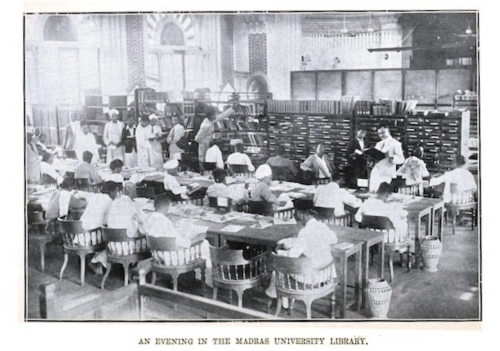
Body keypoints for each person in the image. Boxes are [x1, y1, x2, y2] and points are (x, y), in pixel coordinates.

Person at [266, 208, 338, 303]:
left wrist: (279, 252)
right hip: (325, 273)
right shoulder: (323, 226)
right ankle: (284, 300)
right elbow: (334, 240)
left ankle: (279, 300)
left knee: (279, 268)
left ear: (301, 214)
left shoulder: (304, 231)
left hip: (310, 277)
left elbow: (292, 256)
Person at [144, 193, 210, 273]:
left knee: (186, 233)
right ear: (166, 208)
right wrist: (199, 238)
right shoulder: (165, 222)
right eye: (171, 206)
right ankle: (207, 273)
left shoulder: (149, 218)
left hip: (157, 256)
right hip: (172, 257)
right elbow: (182, 243)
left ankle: (187, 277)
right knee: (204, 242)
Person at [368, 122, 405, 192]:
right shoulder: (378, 144)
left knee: (382, 194)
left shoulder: (395, 144)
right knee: (372, 193)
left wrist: (392, 158)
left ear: (388, 131)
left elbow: (401, 159)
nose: (381, 135)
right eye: (379, 133)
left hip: (386, 173)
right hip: (376, 173)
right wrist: (370, 160)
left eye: (383, 132)